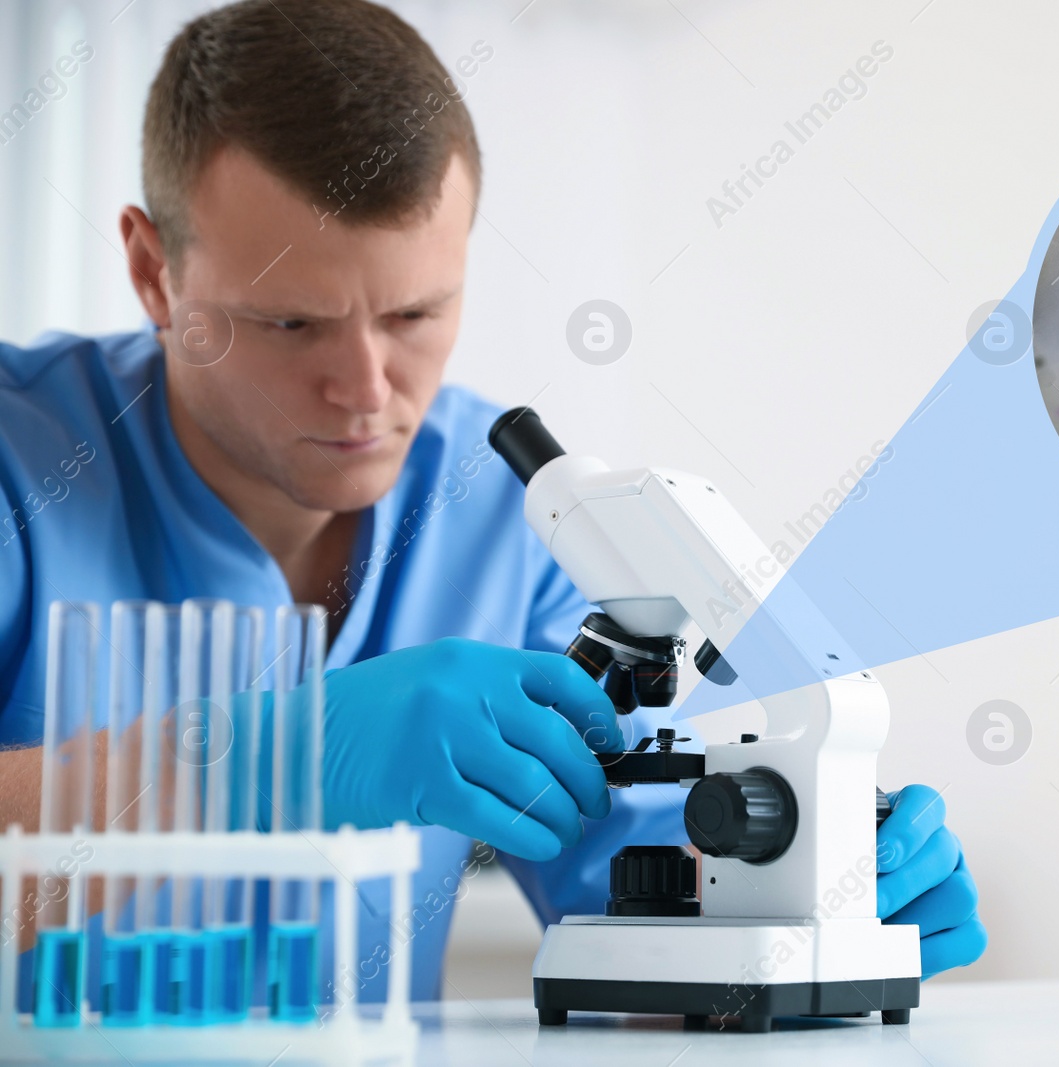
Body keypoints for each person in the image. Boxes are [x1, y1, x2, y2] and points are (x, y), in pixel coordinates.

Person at [0, 0, 985, 1006]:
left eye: (414, 313)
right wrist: (259, 763)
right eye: (290, 321)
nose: (368, 390)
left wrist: (821, 879)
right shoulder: (19, 463)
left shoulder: (494, 508)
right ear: (151, 272)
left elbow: (637, 862)